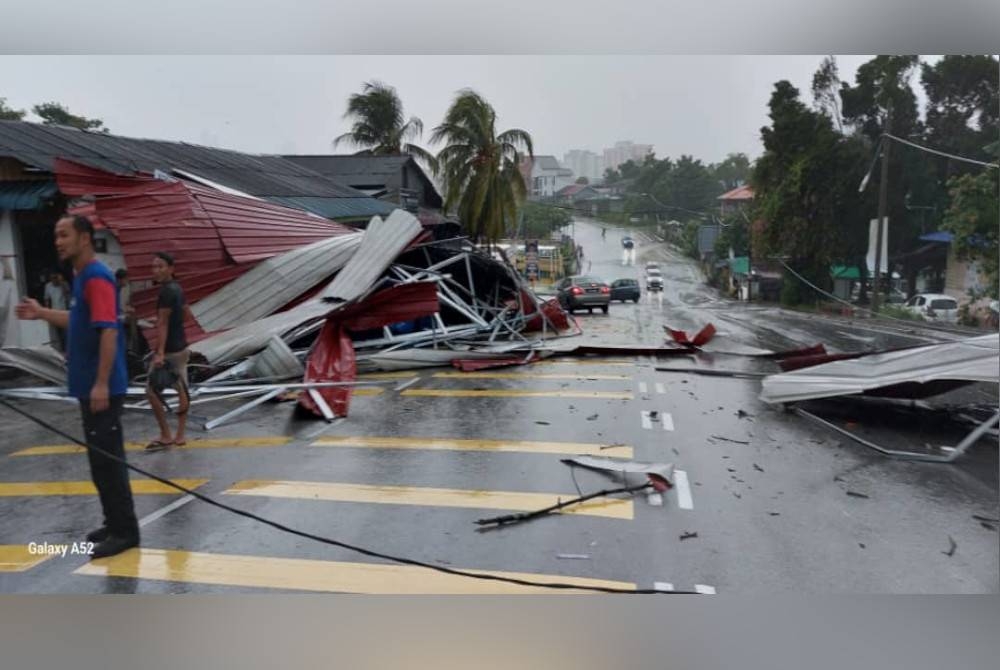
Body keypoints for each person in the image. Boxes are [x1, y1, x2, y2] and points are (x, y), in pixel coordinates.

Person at [16, 214, 139, 559]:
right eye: (56, 235)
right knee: (99, 462)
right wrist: (41, 313)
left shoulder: (97, 278)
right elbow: (78, 320)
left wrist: (101, 383)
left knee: (109, 461)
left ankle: (125, 531)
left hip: (102, 389)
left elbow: (110, 332)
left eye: (64, 234)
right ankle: (113, 522)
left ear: (84, 238)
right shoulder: (81, 276)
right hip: (89, 387)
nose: (58, 241)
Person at [144, 251, 192, 450]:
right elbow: (187, 316)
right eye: (154, 267)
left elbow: (162, 324)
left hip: (170, 351)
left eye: (161, 266)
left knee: (151, 390)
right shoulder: (178, 289)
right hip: (182, 348)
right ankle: (180, 435)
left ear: (171, 269)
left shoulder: (165, 292)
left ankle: (165, 434)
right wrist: (171, 322)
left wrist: (160, 353)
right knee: (182, 391)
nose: (156, 270)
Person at [43, 272, 69, 351]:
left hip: (64, 313)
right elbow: (46, 299)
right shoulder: (48, 286)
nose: (54, 280)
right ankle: (60, 351)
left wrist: (61, 283)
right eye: (52, 278)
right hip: (54, 313)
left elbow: (67, 295)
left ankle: (67, 350)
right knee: (56, 334)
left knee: (66, 333)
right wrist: (47, 311)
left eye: (56, 278)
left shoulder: (64, 284)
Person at [115, 268, 137, 355]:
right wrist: (122, 314)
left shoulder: (118, 289)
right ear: (120, 279)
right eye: (126, 279)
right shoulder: (114, 289)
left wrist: (124, 310)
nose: (127, 281)